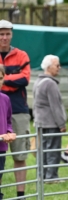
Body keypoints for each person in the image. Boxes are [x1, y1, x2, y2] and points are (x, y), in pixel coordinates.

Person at [0, 19, 30, 200]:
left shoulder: (21, 55)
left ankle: (21, 195)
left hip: (18, 110)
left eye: (7, 34)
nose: (4, 37)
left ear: (11, 35)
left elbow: (24, 79)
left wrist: (5, 79)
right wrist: (13, 78)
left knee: (20, 154)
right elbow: (17, 79)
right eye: (1, 34)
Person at [32, 55, 67, 182]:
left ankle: (42, 176)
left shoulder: (38, 81)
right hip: (51, 123)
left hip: (40, 122)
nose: (59, 68)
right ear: (49, 67)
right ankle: (51, 177)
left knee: (42, 151)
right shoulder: (50, 83)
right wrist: (61, 124)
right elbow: (55, 106)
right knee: (53, 151)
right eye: (57, 65)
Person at [0, 64, 17, 200]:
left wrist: (9, 132)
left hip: (1, 147)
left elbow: (8, 121)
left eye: (0, 78)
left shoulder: (5, 99)